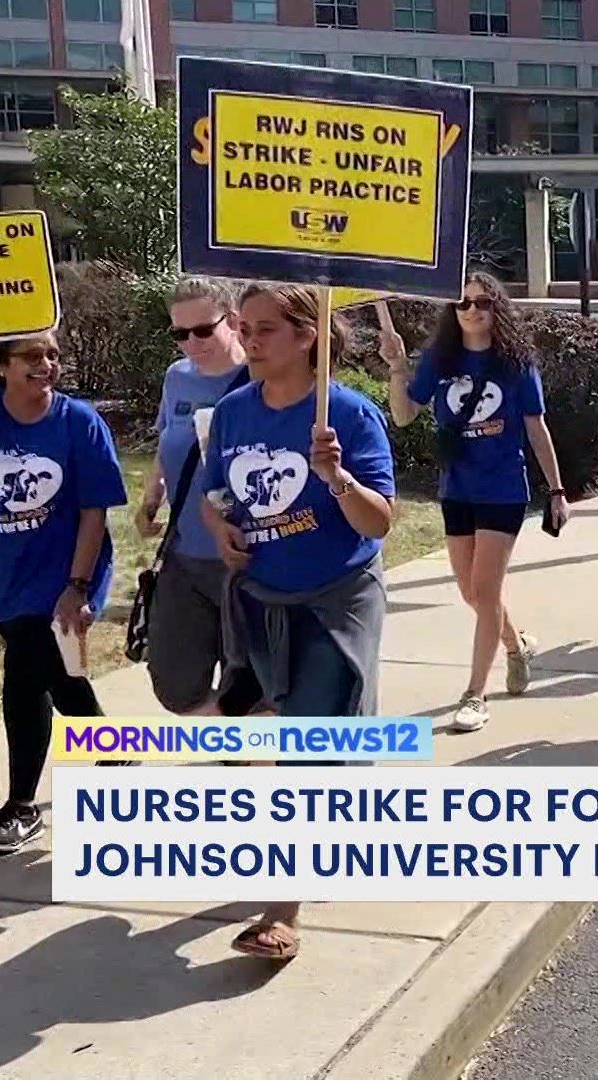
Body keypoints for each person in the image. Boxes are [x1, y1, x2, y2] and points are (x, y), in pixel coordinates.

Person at [200, 282, 396, 961]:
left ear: (308, 336)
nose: (249, 338)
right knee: (259, 723)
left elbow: (380, 521)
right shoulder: (231, 414)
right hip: (260, 600)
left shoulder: (349, 416)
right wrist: (221, 527)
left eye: (264, 328)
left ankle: (280, 912)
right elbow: (215, 494)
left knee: (307, 749)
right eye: (244, 327)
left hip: (335, 599)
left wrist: (338, 479)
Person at [0, 331, 129, 854]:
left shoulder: (78, 421)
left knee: (25, 672)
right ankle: (117, 760)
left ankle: (20, 807)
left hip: (65, 573)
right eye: (32, 356)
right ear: (0, 365)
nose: (47, 364)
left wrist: (78, 585)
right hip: (4, 575)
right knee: (59, 680)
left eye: (54, 355)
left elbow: (94, 510)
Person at [378, 272, 569, 733]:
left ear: (496, 308)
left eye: (483, 302)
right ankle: (516, 645)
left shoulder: (516, 365)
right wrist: (398, 366)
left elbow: (536, 428)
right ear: (453, 312)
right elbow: (404, 416)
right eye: (463, 304)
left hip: (503, 489)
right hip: (456, 488)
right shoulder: (440, 361)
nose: (473, 310)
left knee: (484, 591)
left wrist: (557, 491)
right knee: (472, 593)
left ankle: (475, 694)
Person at [136, 276, 262, 717]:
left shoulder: (260, 378)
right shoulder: (177, 378)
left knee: (247, 685)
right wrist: (152, 497)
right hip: (184, 554)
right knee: (174, 684)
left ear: (232, 321)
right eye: (180, 334)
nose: (192, 343)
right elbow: (169, 441)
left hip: (247, 560)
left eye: (203, 330)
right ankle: (239, 746)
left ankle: (248, 764)